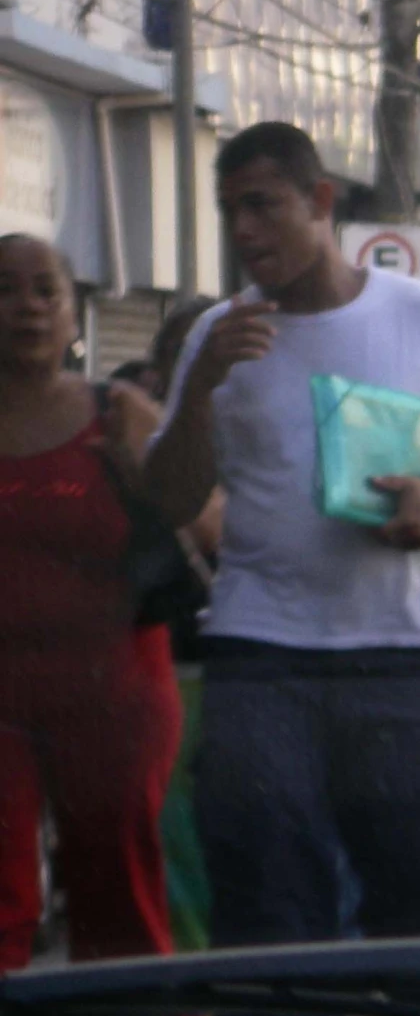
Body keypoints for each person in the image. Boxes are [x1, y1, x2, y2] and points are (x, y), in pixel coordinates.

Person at [141, 122, 420, 1016]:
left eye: (264, 205)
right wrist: (199, 384)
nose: (245, 231)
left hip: (399, 656)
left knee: (416, 882)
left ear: (321, 203)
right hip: (259, 654)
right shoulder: (219, 334)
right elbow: (171, 494)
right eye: (231, 210)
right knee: (266, 889)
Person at [0, 234, 196, 1016]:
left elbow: (205, 521)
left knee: (118, 876)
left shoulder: (119, 412)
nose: (29, 306)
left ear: (75, 310)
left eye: (47, 289)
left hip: (114, 688)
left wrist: (148, 461)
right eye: (7, 290)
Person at [144, 295, 223, 952]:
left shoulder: (268, 433)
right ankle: (195, 978)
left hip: (250, 663)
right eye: (188, 357)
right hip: (162, 663)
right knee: (174, 832)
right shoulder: (136, 440)